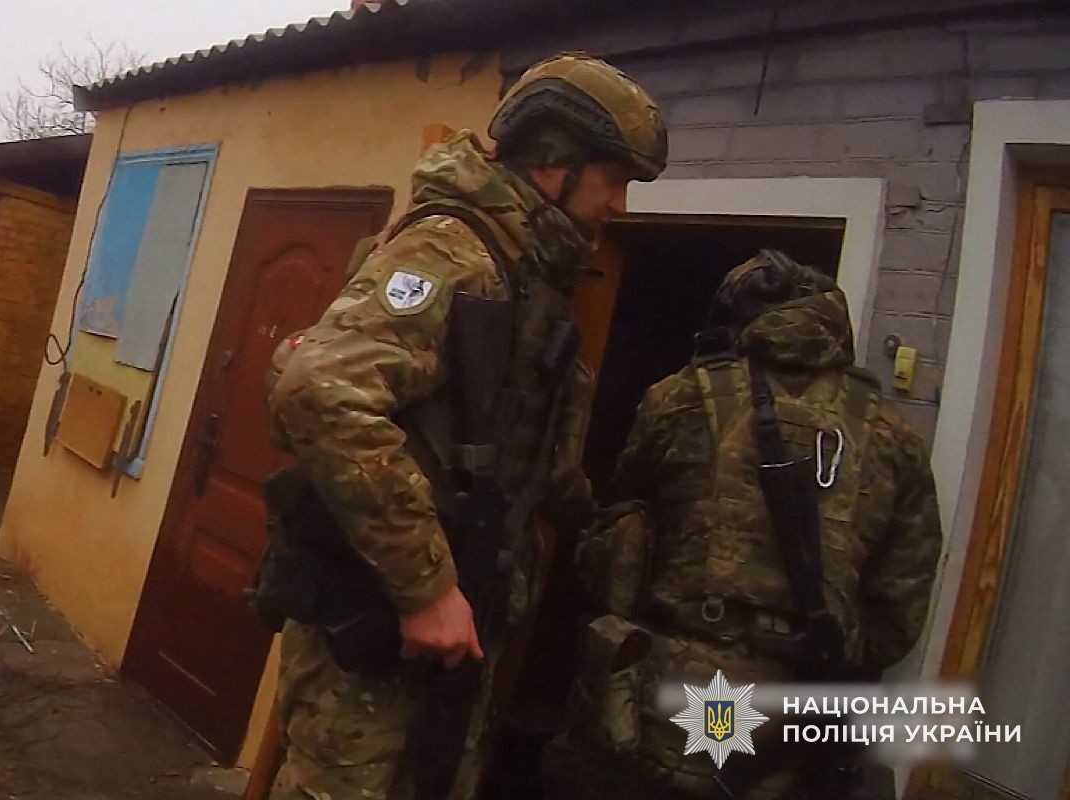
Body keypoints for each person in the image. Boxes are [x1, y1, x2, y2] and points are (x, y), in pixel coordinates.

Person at [262, 53, 668, 800]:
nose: (618, 203)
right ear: (553, 162)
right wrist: (426, 589)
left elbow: (526, 455)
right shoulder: (454, 249)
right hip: (379, 629)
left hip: (458, 626)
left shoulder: (530, 273)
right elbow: (320, 391)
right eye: (614, 178)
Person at [543, 250, 943, 799]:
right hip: (791, 713)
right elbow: (899, 610)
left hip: (663, 685)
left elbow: (624, 524)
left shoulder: (681, 396)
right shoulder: (896, 438)